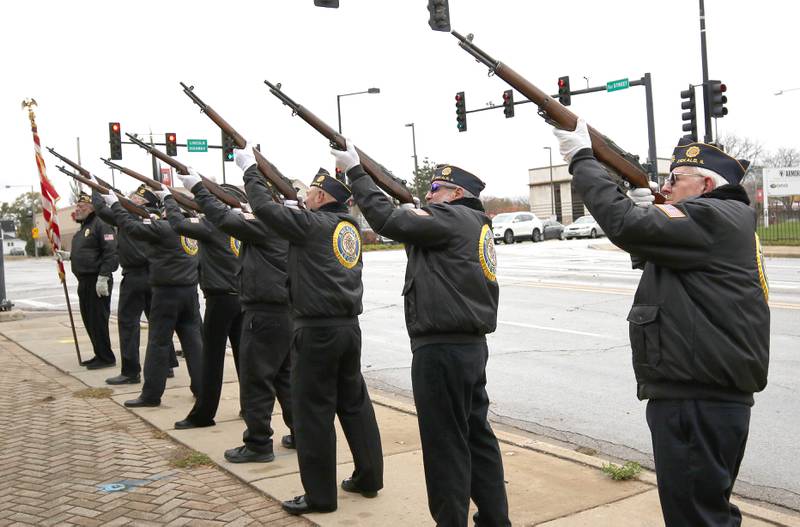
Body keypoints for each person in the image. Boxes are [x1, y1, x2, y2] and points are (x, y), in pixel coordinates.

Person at [553, 121, 770, 527]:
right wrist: (644, 205)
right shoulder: (721, 218)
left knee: (695, 517)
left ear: (705, 185)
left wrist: (582, 158)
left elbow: (626, 227)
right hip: (706, 395)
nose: (665, 186)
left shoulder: (712, 215)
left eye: (675, 178)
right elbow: (655, 249)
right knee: (709, 512)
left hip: (696, 398)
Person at [333, 141, 511, 527]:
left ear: (457, 194)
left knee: (444, 444)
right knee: (476, 436)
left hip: (442, 348)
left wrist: (356, 173)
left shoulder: (451, 219)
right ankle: (495, 519)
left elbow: (387, 220)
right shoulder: (471, 223)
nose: (429, 195)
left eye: (436, 189)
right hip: (467, 346)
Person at [237, 145, 383, 515]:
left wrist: (251, 170)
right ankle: (369, 476)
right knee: (354, 405)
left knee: (313, 413)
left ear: (321, 196)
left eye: (308, 194)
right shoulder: (345, 226)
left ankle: (320, 496)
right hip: (348, 328)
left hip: (316, 331)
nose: (303, 199)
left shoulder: (311, 225)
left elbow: (265, 211)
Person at [177, 170, 295, 461]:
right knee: (284, 378)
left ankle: (258, 443)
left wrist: (199, 190)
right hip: (284, 310)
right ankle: (300, 432)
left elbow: (222, 218)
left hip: (264, 310)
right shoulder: (292, 221)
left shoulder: (266, 224)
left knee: (256, 380)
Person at [102, 188, 204, 407]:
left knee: (158, 343)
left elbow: (129, 227)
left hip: (167, 293)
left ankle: (151, 394)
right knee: (193, 343)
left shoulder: (165, 228)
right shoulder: (194, 229)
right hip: (189, 291)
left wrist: (115, 205)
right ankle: (201, 388)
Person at [156, 183, 244, 430]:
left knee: (211, 361)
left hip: (220, 298)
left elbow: (178, 224)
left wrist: (168, 200)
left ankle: (203, 414)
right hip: (242, 296)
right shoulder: (243, 223)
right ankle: (250, 407)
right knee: (244, 358)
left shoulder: (214, 225)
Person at [92, 185, 178, 384]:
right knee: (158, 322)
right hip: (155, 275)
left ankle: (131, 371)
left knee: (129, 323)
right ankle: (167, 365)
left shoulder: (128, 217)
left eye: (135, 198)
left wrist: (95, 188)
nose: (130, 198)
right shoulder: (158, 220)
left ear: (145, 202)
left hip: (135, 275)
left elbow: (102, 210)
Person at [57, 192, 118, 370]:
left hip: (97, 280)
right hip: (84, 281)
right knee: (89, 320)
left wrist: (104, 277)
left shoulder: (101, 223)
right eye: (77, 206)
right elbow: (88, 252)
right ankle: (99, 353)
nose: (77, 209)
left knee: (98, 320)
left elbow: (110, 253)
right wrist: (69, 256)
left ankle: (106, 357)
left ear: (92, 207)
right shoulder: (85, 226)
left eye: (81, 206)